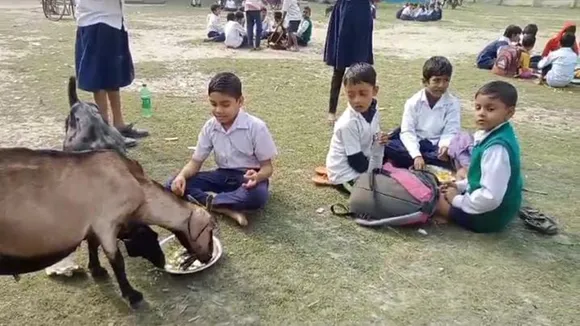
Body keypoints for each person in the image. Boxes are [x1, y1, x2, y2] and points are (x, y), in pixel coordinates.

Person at [166, 72, 277, 227]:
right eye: (213, 104)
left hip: (247, 179)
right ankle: (225, 207)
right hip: (222, 175)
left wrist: (257, 177)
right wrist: (182, 176)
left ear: (240, 101)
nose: (218, 110)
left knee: (257, 197)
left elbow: (268, 168)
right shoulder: (210, 127)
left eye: (225, 105)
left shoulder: (256, 127)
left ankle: (212, 202)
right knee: (173, 183)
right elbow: (195, 162)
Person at [435, 81, 523, 233]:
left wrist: (456, 199)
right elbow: (481, 176)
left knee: (433, 198)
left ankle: (447, 214)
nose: (481, 113)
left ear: (509, 112)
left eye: (490, 109)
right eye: (478, 107)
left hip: (489, 216)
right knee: (445, 188)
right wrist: (460, 186)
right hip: (488, 205)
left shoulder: (497, 147)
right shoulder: (491, 134)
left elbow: (491, 197)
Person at [75, 0, 149, 147]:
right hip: (97, 20)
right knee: (99, 77)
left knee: (112, 75)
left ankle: (118, 124)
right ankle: (105, 131)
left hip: (110, 20)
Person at [384, 56, 460, 170]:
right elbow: (407, 132)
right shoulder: (413, 103)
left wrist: (444, 146)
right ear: (425, 82)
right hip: (416, 142)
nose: (441, 85)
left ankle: (417, 162)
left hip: (435, 147)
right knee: (387, 146)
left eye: (446, 80)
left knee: (457, 151)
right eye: (436, 80)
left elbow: (451, 130)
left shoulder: (452, 103)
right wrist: (416, 155)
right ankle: (422, 162)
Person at [324, 63, 386, 193]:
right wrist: (373, 175)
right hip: (345, 174)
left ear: (375, 91)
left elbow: (374, 137)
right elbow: (355, 161)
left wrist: (380, 140)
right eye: (351, 95)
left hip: (364, 161)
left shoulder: (373, 109)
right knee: (375, 194)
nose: (356, 100)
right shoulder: (348, 123)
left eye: (363, 93)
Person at [324, 0, 374, 124]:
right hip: (345, 10)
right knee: (339, 68)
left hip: (362, 12)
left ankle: (364, 110)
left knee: (362, 70)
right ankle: (332, 111)